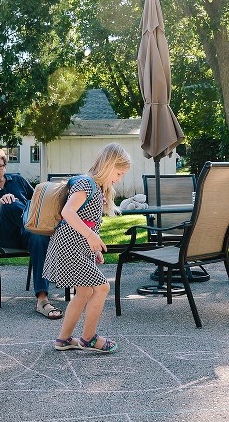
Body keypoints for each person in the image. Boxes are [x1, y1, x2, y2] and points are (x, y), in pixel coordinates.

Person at [43, 142, 131, 353]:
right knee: (102, 287)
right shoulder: (86, 183)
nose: (118, 179)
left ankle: (63, 339)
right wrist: (91, 236)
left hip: (78, 246)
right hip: (69, 245)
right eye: (118, 173)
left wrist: (95, 247)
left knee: (83, 292)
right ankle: (88, 338)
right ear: (108, 165)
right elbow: (68, 212)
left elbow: (88, 220)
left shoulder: (97, 187)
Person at [0, 147, 63, 319]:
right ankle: (56, 234)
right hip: (2, 236)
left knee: (39, 236)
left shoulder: (18, 180)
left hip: (27, 233)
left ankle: (42, 300)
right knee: (9, 204)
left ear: (5, 166)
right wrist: (0, 203)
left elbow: (38, 205)